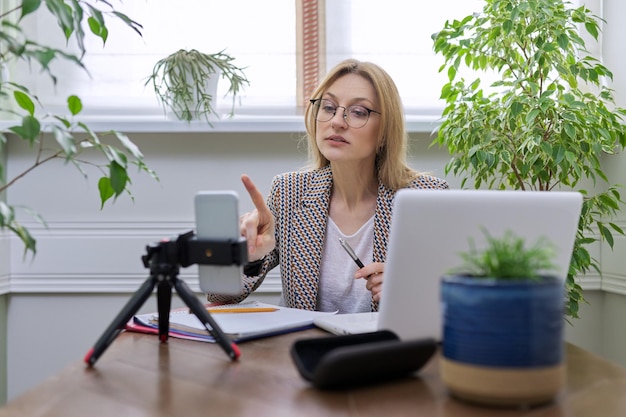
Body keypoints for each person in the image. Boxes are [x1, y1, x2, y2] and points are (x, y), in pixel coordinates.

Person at [207, 58, 449, 313]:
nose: (337, 121)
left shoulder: (426, 197)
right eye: (328, 107)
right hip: (305, 349)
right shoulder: (289, 191)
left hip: (387, 349)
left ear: (385, 131)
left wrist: (410, 291)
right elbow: (220, 297)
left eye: (358, 112)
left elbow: (454, 299)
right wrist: (251, 257)